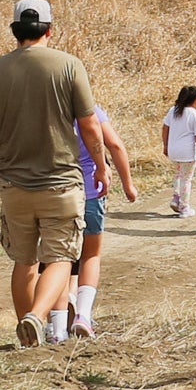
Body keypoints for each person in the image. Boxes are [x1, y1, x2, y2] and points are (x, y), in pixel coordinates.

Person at [0, 0, 109, 351]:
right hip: (61, 180)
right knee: (62, 257)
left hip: (15, 183)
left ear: (15, 31)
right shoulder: (69, 65)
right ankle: (36, 317)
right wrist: (102, 165)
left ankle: (26, 334)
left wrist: (2, 164)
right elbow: (90, 126)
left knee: (24, 260)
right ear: (50, 29)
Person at [67, 105, 137, 340]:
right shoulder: (90, 109)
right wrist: (128, 185)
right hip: (90, 190)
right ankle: (83, 315)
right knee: (90, 254)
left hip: (56, 190)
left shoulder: (46, 106)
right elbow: (115, 145)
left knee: (60, 257)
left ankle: (59, 314)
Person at [162, 86, 196, 217]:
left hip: (173, 149)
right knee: (187, 179)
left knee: (178, 174)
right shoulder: (194, 114)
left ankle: (176, 197)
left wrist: (165, 146)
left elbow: (165, 128)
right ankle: (184, 206)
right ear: (195, 99)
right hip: (187, 152)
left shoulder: (173, 111)